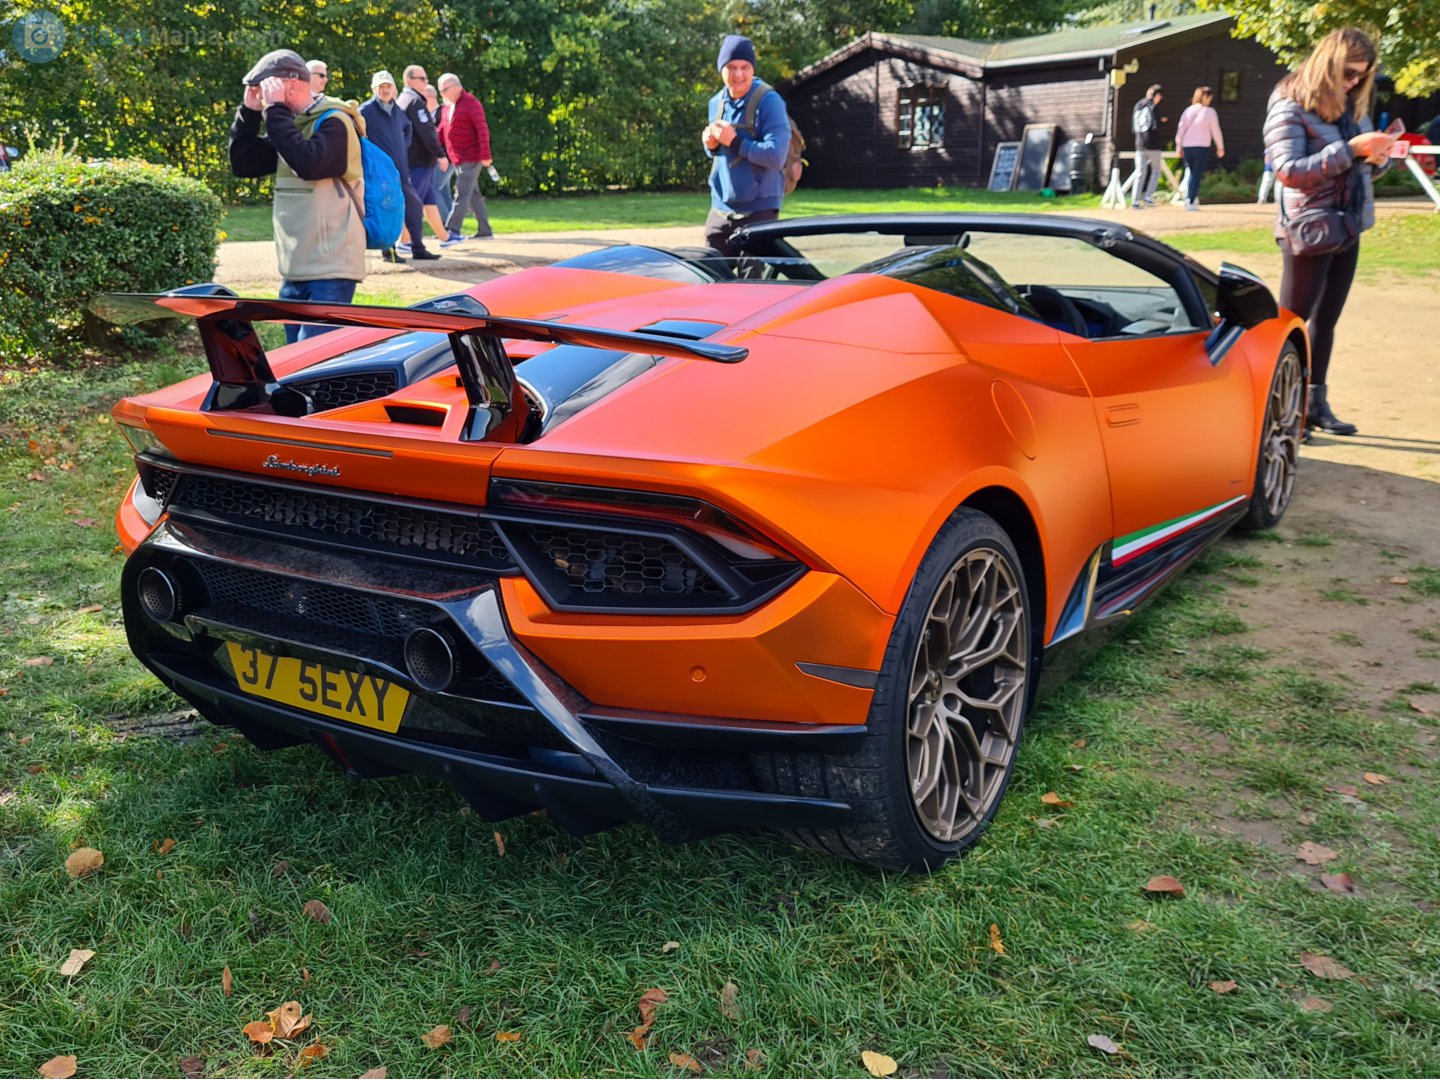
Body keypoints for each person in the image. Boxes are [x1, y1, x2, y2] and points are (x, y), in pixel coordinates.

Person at [1264, 26, 1395, 436]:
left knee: (1327, 321)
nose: (1356, 82)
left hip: (1348, 222)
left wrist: (1379, 156)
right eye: (1350, 73)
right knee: (1293, 322)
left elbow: (1363, 161)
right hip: (1309, 227)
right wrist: (1351, 151)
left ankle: (1315, 404)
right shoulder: (1290, 102)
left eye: (1362, 76)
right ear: (1329, 63)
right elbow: (1287, 171)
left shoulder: (1353, 104)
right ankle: (1282, 411)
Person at [229, 48, 367, 344]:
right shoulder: (291, 127)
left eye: (268, 89)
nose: (265, 97)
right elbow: (243, 164)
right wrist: (250, 114)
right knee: (295, 357)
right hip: (296, 266)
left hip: (331, 266)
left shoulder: (335, 122)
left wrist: (274, 112)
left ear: (291, 85)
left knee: (316, 358)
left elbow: (309, 164)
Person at [702, 34, 791, 257]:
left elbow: (777, 156)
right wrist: (710, 145)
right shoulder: (716, 102)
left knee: (752, 285)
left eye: (744, 67)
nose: (738, 74)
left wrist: (735, 141)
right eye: (731, 67)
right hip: (721, 208)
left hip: (760, 208)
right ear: (721, 69)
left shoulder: (770, 101)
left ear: (753, 69)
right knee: (711, 276)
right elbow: (718, 152)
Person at [359, 70, 440, 263]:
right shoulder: (366, 110)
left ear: (394, 89)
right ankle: (389, 250)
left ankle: (418, 248)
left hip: (401, 169)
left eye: (388, 86)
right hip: (378, 172)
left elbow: (408, 127)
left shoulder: (397, 110)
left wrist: (404, 145)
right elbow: (358, 135)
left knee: (413, 205)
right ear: (374, 89)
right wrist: (372, 155)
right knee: (384, 208)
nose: (385, 90)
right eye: (381, 87)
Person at [435, 72, 495, 246]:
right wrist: (430, 146)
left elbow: (482, 129)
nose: (442, 94)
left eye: (443, 90)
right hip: (458, 158)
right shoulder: (448, 107)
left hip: (472, 156)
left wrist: (486, 156)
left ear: (455, 87)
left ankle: (451, 230)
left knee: (461, 193)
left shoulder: (471, 103)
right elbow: (441, 131)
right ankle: (485, 230)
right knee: (473, 194)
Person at [396, 65, 451, 253]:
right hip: (418, 160)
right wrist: (440, 154)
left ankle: (445, 237)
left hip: (411, 159)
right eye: (422, 78)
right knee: (415, 202)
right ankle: (404, 242)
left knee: (429, 201)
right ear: (410, 80)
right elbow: (427, 131)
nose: (427, 82)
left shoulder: (403, 99)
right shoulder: (415, 101)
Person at [1175, 86, 1225, 210]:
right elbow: (1216, 131)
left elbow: (1180, 130)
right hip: (1201, 147)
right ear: (1205, 97)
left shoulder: (1188, 110)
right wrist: (1220, 147)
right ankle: (1190, 200)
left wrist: (1178, 145)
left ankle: (1191, 197)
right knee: (1196, 174)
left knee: (1191, 172)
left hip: (1187, 147)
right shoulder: (1210, 112)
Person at [424, 84, 455, 225]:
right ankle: (453, 225)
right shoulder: (428, 114)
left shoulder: (443, 112)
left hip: (446, 158)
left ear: (429, 97)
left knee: (433, 187)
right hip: (439, 159)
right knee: (443, 191)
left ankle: (447, 224)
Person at [1131, 84, 1165, 208]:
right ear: (1157, 95)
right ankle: (1148, 196)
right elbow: (1156, 126)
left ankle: (1135, 200)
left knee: (1140, 172)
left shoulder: (1138, 106)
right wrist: (1161, 121)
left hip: (1139, 143)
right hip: (1152, 144)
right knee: (1156, 171)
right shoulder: (1153, 107)